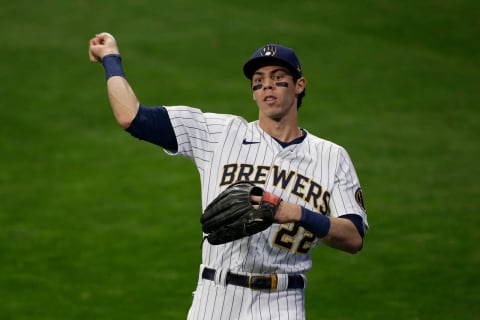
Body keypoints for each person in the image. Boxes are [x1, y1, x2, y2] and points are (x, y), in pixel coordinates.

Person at [89, 32, 369, 320]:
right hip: (215, 296)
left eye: (277, 77)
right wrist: (111, 58)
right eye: (258, 81)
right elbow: (133, 118)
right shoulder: (219, 133)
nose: (267, 85)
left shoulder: (332, 157)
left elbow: (353, 238)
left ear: (299, 85)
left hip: (282, 302)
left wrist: (296, 212)